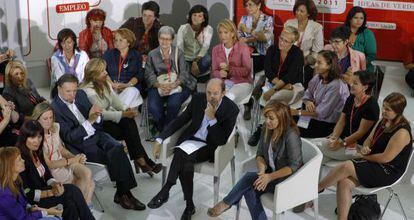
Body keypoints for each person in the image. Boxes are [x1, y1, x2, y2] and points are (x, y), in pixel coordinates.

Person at [147, 79, 239, 220]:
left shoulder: (231, 109)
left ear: (223, 93)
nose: (211, 96)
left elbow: (222, 140)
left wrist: (212, 119)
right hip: (191, 139)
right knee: (185, 160)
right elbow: (181, 120)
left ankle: (167, 190)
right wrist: (160, 139)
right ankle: (189, 206)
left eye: (215, 93)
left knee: (182, 154)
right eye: (209, 93)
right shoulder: (198, 99)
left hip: (209, 146)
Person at [51, 74, 145, 211]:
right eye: (68, 91)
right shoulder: (55, 109)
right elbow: (70, 137)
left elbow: (96, 119)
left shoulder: (81, 95)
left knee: (117, 148)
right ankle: (124, 194)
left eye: (74, 90)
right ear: (59, 89)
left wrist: (97, 116)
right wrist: (90, 121)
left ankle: (123, 193)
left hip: (96, 134)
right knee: (114, 154)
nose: (73, 95)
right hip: (80, 145)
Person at [318, 92, 412, 220]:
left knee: (346, 166)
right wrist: (366, 147)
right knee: (344, 182)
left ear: (398, 112)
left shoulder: (402, 132)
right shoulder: (383, 121)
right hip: (374, 161)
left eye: (387, 109)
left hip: (388, 170)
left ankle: (316, 188)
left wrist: (362, 157)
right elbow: (369, 138)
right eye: (383, 107)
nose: (383, 111)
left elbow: (386, 158)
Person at [207, 100, 303, 219]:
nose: (267, 121)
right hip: (270, 174)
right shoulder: (266, 129)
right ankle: (226, 204)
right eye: (266, 117)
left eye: (271, 118)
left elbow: (294, 166)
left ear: (282, 118)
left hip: (288, 180)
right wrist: (262, 173)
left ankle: (226, 203)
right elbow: (260, 154)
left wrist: (269, 177)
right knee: (250, 190)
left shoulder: (291, 135)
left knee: (248, 179)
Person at [81, 58, 162, 176]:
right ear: (94, 75)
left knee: (129, 123)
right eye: (103, 71)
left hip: (110, 119)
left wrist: (126, 109)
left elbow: (115, 101)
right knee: (129, 128)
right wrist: (123, 114)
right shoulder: (88, 91)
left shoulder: (103, 83)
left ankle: (142, 161)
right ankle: (143, 161)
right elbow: (101, 114)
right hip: (98, 125)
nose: (106, 73)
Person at [17, 120, 95, 219]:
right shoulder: (20, 159)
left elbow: (47, 175)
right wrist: (51, 192)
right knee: (73, 191)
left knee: (71, 204)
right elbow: (27, 193)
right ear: (24, 137)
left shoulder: (37, 151)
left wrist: (55, 184)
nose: (37, 141)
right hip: (34, 200)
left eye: (39, 136)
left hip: (45, 190)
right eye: (32, 137)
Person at [248, 26, 304, 146]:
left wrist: (274, 90)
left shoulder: (298, 54)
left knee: (273, 99)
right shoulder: (272, 49)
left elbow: (290, 77)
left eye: (286, 41)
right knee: (268, 98)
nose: (281, 42)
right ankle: (268, 130)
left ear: (293, 43)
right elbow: (268, 71)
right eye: (281, 38)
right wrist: (281, 86)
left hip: (294, 87)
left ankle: (260, 128)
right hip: (278, 85)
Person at [31, 102, 95, 205]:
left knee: (87, 173)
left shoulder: (55, 127)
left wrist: (75, 157)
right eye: (45, 119)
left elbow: (60, 148)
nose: (49, 121)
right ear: (37, 119)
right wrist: (71, 160)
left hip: (65, 162)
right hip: (53, 169)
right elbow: (49, 164)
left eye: (51, 118)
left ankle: (80, 207)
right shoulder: (35, 137)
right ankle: (81, 207)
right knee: (90, 184)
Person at [316, 71, 379, 161]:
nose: (351, 85)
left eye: (355, 83)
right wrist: (334, 138)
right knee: (319, 154)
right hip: (343, 140)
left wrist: (342, 144)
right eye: (351, 82)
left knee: (317, 149)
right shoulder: (351, 98)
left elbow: (360, 133)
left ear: (365, 87)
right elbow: (341, 121)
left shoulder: (371, 106)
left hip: (357, 145)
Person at [145, 26, 196, 132]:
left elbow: (184, 73)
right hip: (158, 85)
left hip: (177, 84)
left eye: (167, 39)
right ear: (158, 38)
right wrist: (159, 85)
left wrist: (174, 84)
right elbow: (149, 74)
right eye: (162, 38)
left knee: (173, 104)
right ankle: (164, 129)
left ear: (172, 40)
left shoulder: (179, 53)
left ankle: (165, 132)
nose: (164, 42)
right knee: (153, 107)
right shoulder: (152, 54)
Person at [290, 50, 349, 138]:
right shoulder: (318, 77)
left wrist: (297, 112)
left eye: (319, 63)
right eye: (316, 61)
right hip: (313, 115)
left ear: (329, 66)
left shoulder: (336, 85)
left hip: (326, 124)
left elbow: (322, 113)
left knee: (289, 128)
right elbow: (307, 94)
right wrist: (308, 102)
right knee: (284, 118)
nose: (315, 65)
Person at [0, 146, 61, 220]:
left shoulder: (16, 180)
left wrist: (31, 208)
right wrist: (47, 212)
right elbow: (22, 218)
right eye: (19, 160)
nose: (23, 161)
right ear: (9, 166)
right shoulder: (4, 194)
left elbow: (23, 203)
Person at [212, 19, 252, 106]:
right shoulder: (216, 49)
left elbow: (246, 71)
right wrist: (220, 74)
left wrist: (229, 69)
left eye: (225, 32)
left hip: (242, 83)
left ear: (233, 33)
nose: (222, 36)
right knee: (212, 100)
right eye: (220, 32)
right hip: (223, 84)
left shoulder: (243, 48)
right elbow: (214, 70)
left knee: (227, 98)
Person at [103, 28, 143, 108]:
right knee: (106, 88)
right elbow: (103, 71)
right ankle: (119, 113)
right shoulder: (108, 54)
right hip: (112, 85)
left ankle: (115, 111)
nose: (117, 43)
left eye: (120, 40)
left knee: (132, 91)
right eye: (116, 40)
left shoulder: (136, 55)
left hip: (129, 86)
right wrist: (112, 84)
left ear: (128, 42)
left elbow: (139, 75)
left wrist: (127, 85)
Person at [176, 5, 213, 81]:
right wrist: (183, 61)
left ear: (203, 19)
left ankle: (190, 76)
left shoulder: (208, 29)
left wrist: (195, 62)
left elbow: (205, 47)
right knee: (180, 65)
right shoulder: (183, 28)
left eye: (199, 16)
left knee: (208, 60)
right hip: (186, 58)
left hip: (199, 59)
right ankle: (194, 77)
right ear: (190, 16)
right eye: (194, 15)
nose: (196, 18)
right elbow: (180, 47)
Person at [120, 1, 162, 67]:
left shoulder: (160, 28)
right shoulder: (132, 23)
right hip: (131, 60)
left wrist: (150, 57)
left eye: (150, 16)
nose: (146, 19)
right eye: (144, 15)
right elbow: (118, 38)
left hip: (151, 62)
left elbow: (162, 49)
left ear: (155, 17)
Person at [238, 0, 273, 73]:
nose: (248, 8)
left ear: (259, 5)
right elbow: (239, 36)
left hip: (263, 54)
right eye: (246, 5)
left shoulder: (268, 19)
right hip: (247, 53)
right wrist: (242, 38)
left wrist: (248, 33)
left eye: (250, 5)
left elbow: (265, 38)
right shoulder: (244, 19)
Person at [344, 6, 376, 73]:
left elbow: (371, 55)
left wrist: (357, 65)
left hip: (362, 70)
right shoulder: (341, 30)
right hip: (343, 67)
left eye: (361, 18)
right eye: (356, 18)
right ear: (350, 18)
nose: (359, 21)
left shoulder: (368, 33)